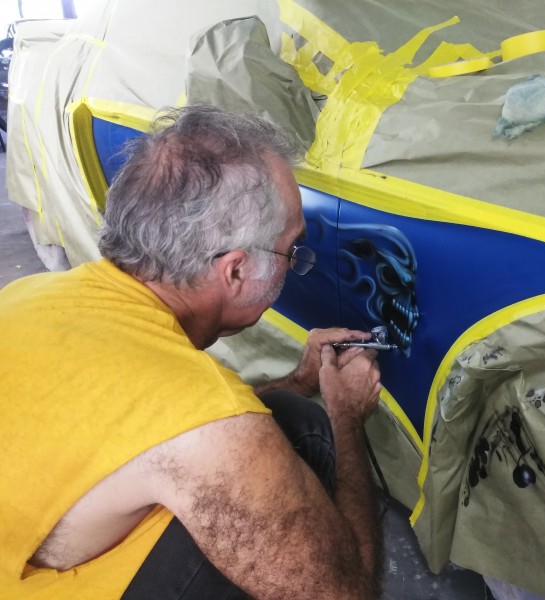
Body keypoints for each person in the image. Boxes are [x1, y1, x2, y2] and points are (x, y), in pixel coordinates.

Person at [0, 105, 384, 599]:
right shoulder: (209, 425)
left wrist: (299, 381)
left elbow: (148, 430)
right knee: (296, 443)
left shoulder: (29, 294)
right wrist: (347, 416)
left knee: (291, 416)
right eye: (292, 249)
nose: (294, 264)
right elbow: (346, 595)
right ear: (236, 271)